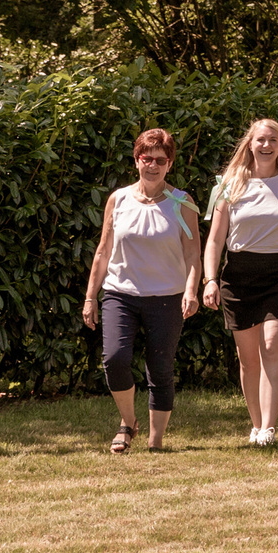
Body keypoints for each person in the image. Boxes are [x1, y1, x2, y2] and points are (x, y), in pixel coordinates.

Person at [81, 128, 201, 454]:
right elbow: (104, 251)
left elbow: (193, 253)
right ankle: (127, 422)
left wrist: (192, 290)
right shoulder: (118, 199)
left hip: (167, 295)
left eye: (160, 160)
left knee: (160, 366)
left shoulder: (182, 203)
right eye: (146, 158)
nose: (152, 165)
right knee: (115, 359)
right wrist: (91, 297)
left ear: (169, 163)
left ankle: (156, 440)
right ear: (136, 160)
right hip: (120, 293)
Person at [201, 118, 278, 447]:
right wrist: (210, 280)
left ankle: (268, 427)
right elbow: (214, 240)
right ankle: (255, 424)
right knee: (248, 357)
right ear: (249, 144)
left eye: (273, 140)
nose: (266, 145)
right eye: (260, 140)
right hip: (239, 274)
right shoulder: (227, 184)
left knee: (271, 347)